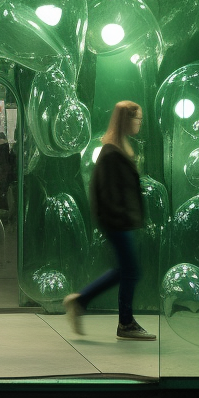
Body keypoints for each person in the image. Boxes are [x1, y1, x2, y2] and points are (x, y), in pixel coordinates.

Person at [63, 100, 156, 341]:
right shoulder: (111, 151)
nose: (139, 123)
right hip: (118, 221)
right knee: (130, 270)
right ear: (126, 119)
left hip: (123, 220)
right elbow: (102, 190)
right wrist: (119, 217)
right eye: (137, 119)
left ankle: (94, 307)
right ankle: (120, 320)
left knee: (126, 270)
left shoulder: (121, 147)